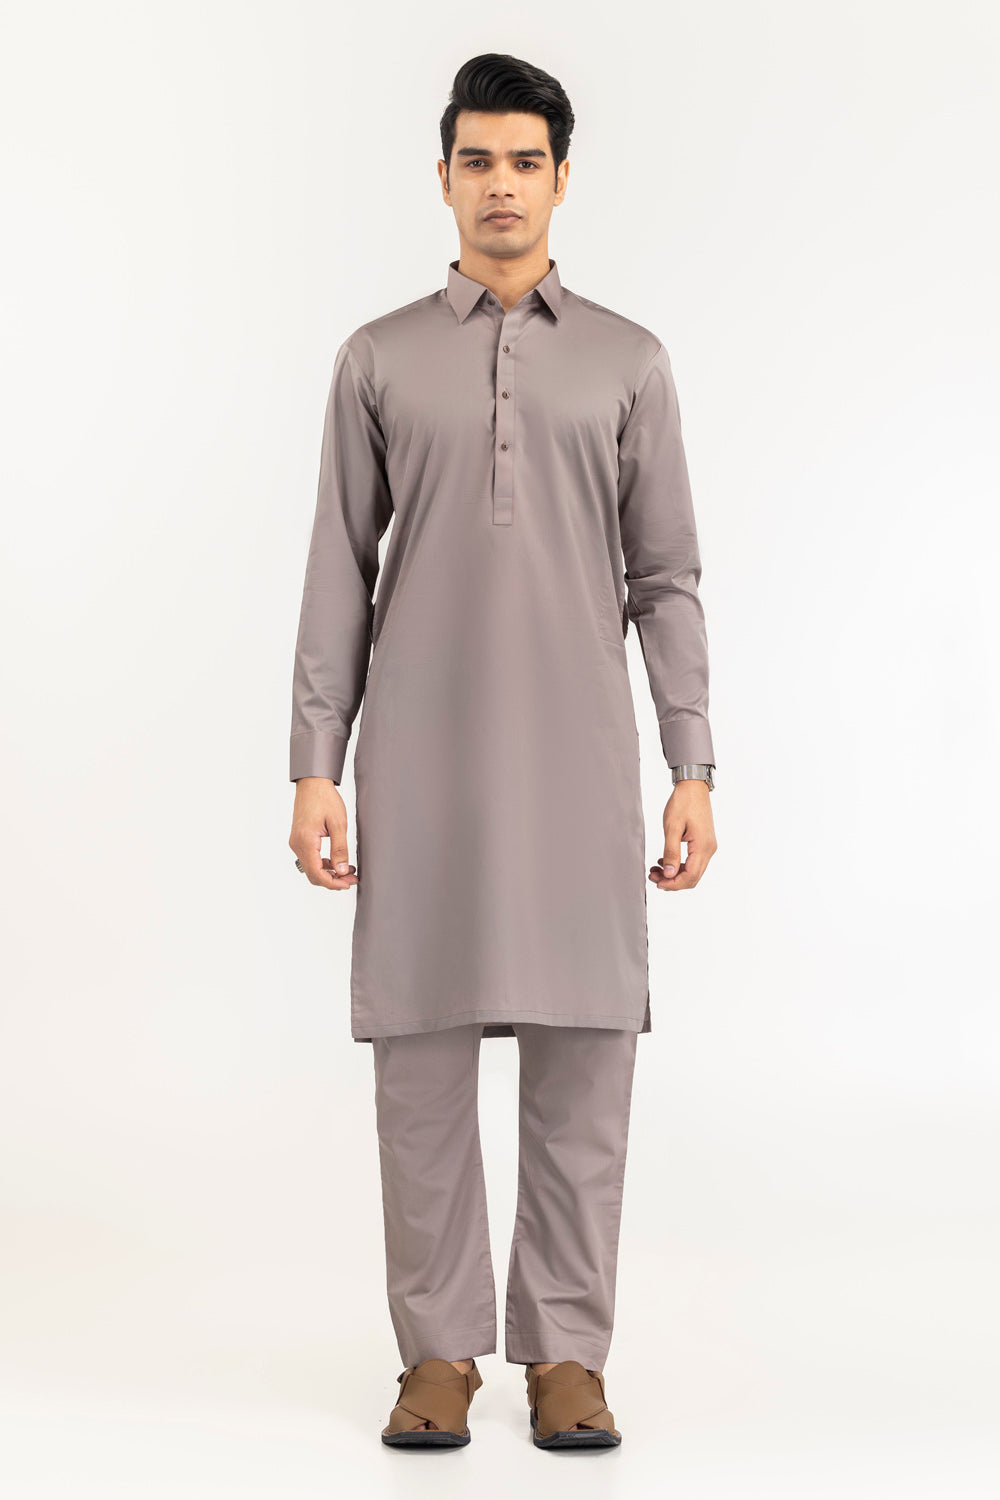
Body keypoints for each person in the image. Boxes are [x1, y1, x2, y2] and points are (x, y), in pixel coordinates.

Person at [287, 52, 718, 1451]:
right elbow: (339, 569)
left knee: (586, 1058)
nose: (502, 186)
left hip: (582, 765)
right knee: (417, 1065)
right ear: (444, 178)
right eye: (477, 161)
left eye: (526, 161)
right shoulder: (378, 358)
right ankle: (437, 1354)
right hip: (419, 764)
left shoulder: (630, 361)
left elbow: (667, 577)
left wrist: (693, 764)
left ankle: (567, 1354)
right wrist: (314, 763)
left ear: (562, 179)